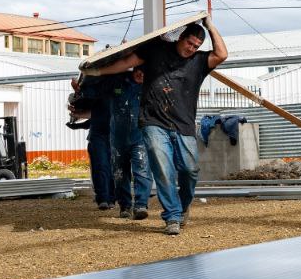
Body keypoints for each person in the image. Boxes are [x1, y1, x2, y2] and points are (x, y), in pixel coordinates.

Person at [82, 17, 227, 235]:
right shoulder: (156, 50)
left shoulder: (198, 61)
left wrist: (211, 26)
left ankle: (183, 205)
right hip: (153, 122)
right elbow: (126, 62)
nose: (192, 48)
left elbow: (222, 54)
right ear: (181, 37)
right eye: (189, 43)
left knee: (189, 170)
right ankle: (172, 217)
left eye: (196, 46)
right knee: (163, 168)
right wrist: (98, 71)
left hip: (184, 125)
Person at [109, 66, 152, 220]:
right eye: (138, 69)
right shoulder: (117, 83)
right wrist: (80, 90)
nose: (141, 73)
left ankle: (141, 205)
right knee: (120, 173)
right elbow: (95, 92)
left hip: (140, 136)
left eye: (144, 70)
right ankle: (125, 206)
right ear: (132, 69)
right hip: (118, 138)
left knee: (142, 170)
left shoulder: (151, 88)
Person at [70, 74, 115, 210]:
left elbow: (91, 114)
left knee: (112, 167)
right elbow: (92, 113)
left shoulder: (119, 84)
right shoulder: (94, 87)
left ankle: (111, 198)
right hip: (99, 134)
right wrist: (78, 91)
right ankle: (103, 198)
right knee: (101, 166)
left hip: (114, 133)